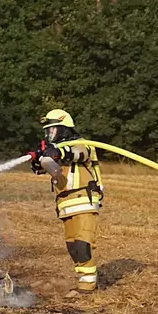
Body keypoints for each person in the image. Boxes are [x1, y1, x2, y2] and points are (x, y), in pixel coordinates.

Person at [30, 109, 103, 295]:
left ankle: (87, 287)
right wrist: (38, 160)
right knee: (72, 247)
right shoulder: (55, 153)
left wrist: (57, 151)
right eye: (48, 131)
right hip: (65, 204)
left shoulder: (82, 144)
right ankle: (83, 280)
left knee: (83, 244)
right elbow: (40, 169)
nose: (50, 135)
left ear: (64, 130)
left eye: (53, 131)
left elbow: (77, 153)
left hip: (83, 200)